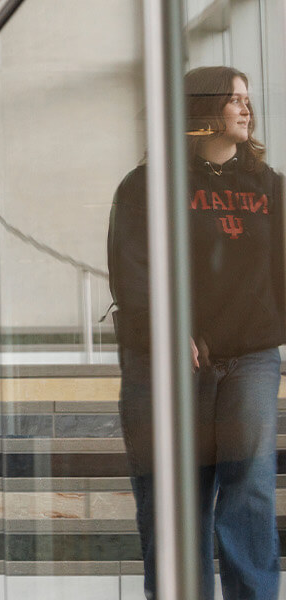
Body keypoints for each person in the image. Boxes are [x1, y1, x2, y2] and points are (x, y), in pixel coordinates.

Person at [109, 65, 284, 600]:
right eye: (234, 99)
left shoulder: (268, 185)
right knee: (172, 499)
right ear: (203, 110)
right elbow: (130, 270)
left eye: (247, 98)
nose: (245, 108)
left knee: (249, 492)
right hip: (165, 360)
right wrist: (163, 329)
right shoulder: (147, 185)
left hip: (250, 357)